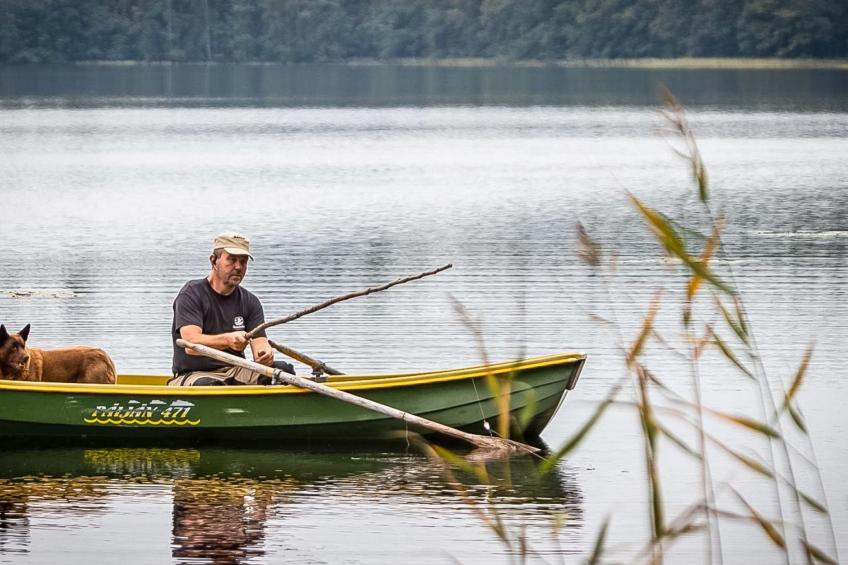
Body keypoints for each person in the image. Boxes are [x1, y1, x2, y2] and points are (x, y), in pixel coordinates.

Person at [168, 232, 292, 386]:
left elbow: (260, 343)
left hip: (237, 370)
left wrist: (264, 355)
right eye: (232, 260)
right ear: (214, 261)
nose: (238, 267)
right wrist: (227, 340)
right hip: (194, 374)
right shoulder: (191, 294)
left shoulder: (250, 301)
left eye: (243, 261)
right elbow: (190, 344)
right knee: (209, 386)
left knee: (283, 371)